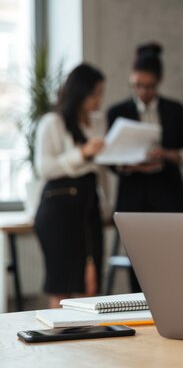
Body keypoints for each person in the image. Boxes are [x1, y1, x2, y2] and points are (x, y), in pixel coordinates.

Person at [107, 42, 183, 292]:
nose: (142, 91)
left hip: (168, 194)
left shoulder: (175, 110)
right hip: (133, 196)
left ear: (159, 82)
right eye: (136, 85)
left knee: (173, 259)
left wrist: (166, 154)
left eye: (148, 86)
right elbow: (110, 159)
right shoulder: (117, 112)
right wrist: (128, 165)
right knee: (137, 260)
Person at [34, 63, 107, 308]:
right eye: (94, 93)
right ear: (80, 92)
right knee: (62, 284)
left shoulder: (97, 123)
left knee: (91, 281)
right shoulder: (52, 123)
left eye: (100, 93)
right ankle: (59, 342)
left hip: (88, 205)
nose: (98, 99)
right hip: (59, 209)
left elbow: (100, 171)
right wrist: (82, 153)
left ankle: (89, 343)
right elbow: (45, 168)